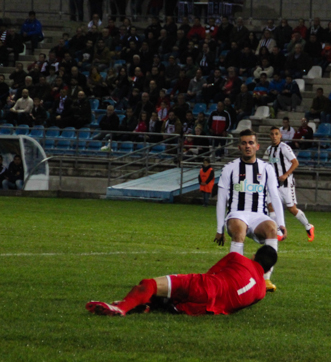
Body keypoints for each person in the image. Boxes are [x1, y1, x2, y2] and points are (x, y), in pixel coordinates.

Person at [86, 244, 277, 317]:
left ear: (254, 255)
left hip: (205, 287)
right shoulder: (261, 293)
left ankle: (122, 308)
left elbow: (210, 273)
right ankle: (147, 306)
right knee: (172, 301)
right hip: (204, 310)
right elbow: (235, 306)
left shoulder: (237, 258)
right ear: (269, 270)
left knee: (150, 284)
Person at [214, 130, 286, 292]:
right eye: (244, 143)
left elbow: (275, 197)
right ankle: (235, 278)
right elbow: (221, 200)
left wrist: (281, 223)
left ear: (257, 146)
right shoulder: (229, 169)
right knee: (239, 231)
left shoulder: (266, 168)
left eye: (251, 143)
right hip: (236, 213)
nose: (248, 146)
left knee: (272, 229)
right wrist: (220, 229)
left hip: (258, 215)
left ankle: (265, 279)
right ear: (239, 147)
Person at [265, 126, 316, 243]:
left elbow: (295, 162)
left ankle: (308, 226)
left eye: (276, 134)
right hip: (274, 184)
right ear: (269, 136)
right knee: (271, 206)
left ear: (280, 135)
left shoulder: (284, 148)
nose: (274, 136)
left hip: (286, 183)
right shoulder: (269, 150)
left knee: (291, 208)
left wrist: (286, 175)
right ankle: (278, 232)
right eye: (272, 134)